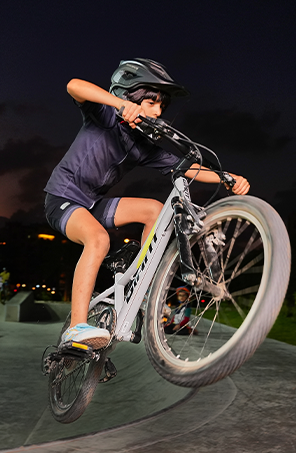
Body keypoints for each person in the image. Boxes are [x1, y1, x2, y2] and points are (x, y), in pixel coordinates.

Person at [44, 58, 250, 349]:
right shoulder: (103, 115)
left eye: (161, 107)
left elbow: (187, 168)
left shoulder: (143, 146)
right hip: (64, 198)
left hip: (93, 204)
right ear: (130, 96)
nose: (157, 111)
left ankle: (138, 286)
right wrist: (117, 104)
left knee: (154, 209)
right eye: (150, 103)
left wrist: (225, 176)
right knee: (98, 239)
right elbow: (74, 86)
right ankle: (75, 327)